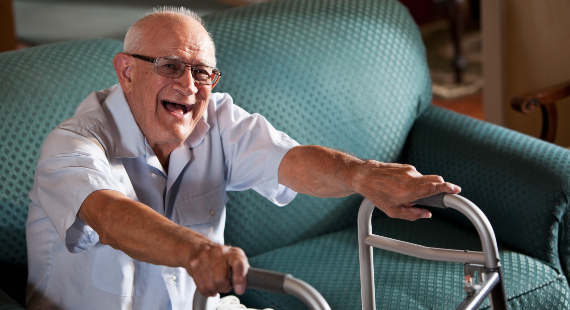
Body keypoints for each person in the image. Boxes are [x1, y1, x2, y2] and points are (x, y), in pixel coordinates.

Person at [25, 6, 461, 310]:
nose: (190, 86)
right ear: (127, 71)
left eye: (202, 72)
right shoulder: (73, 143)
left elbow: (291, 162)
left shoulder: (218, 117)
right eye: (170, 66)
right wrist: (197, 251)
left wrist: (364, 176)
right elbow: (107, 214)